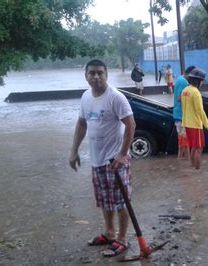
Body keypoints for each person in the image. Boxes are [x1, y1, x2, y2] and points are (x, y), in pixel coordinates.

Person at [69, 59, 136, 257]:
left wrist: (123, 154)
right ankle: (109, 233)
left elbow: (131, 125)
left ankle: (122, 239)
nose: (96, 77)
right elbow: (81, 124)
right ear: (86, 76)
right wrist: (73, 151)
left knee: (121, 201)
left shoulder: (115, 97)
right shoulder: (85, 97)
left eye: (100, 73)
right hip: (97, 160)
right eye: (92, 73)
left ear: (106, 75)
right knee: (104, 199)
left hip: (115, 160)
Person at [181, 68, 208, 170]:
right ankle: (197, 171)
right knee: (199, 149)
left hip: (187, 124)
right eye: (202, 81)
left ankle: (192, 168)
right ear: (198, 81)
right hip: (195, 125)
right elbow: (200, 111)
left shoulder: (185, 90)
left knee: (193, 147)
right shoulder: (196, 92)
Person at [173, 65, 196, 160]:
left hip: (178, 115)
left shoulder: (179, 79)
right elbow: (179, 98)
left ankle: (182, 163)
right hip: (182, 115)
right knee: (185, 142)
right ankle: (187, 162)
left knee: (182, 142)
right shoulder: (184, 82)